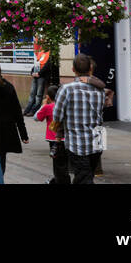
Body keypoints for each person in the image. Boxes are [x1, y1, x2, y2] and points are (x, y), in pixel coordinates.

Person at [53, 54, 105, 184]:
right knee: (86, 176)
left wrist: (58, 132)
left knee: (83, 178)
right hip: (98, 142)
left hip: (78, 143)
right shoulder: (100, 90)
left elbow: (57, 116)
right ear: (90, 69)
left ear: (73, 70)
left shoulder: (66, 89)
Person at [36, 84, 68, 184]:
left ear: (48, 97)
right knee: (64, 162)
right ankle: (58, 180)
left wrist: (43, 105)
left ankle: (60, 181)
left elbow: (36, 117)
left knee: (57, 163)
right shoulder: (65, 105)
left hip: (54, 139)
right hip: (66, 138)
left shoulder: (48, 107)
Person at [22, 42, 49, 116]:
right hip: (35, 75)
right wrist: (32, 72)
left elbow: (47, 66)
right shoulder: (41, 52)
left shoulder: (49, 53)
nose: (43, 45)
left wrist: (39, 74)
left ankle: (34, 111)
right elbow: (36, 64)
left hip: (41, 76)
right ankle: (27, 110)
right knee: (32, 94)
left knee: (38, 95)